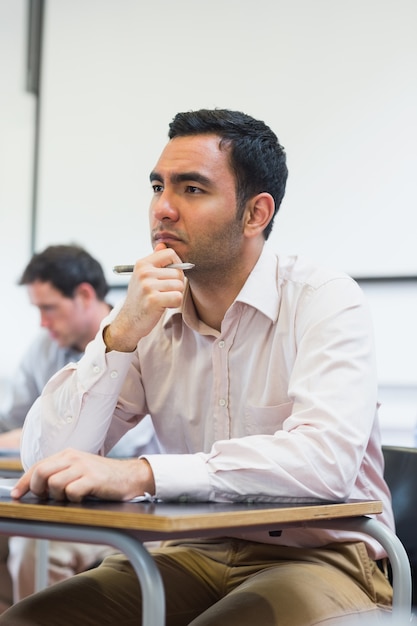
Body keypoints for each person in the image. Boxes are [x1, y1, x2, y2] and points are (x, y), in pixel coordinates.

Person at [0, 109, 395, 626]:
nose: (162, 209)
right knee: (28, 620)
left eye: (191, 189)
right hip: (191, 548)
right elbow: (47, 458)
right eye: (158, 186)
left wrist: (141, 473)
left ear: (256, 213)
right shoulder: (148, 317)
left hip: (324, 555)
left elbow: (324, 462)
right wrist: (118, 336)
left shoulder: (324, 300)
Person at [0, 244, 159, 611]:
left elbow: (111, 445)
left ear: (85, 295)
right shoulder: (45, 347)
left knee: (35, 544)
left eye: (48, 308)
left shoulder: (140, 336)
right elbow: (17, 423)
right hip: (62, 499)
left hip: (131, 507)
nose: (42, 322)